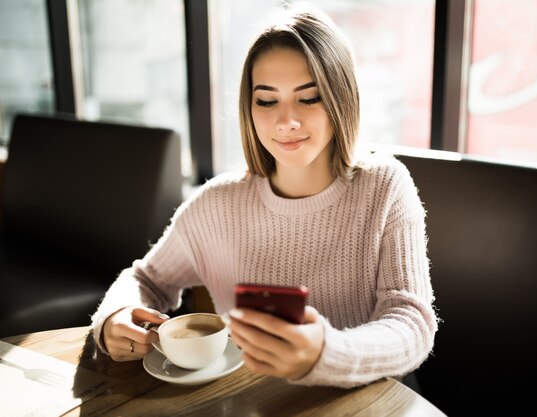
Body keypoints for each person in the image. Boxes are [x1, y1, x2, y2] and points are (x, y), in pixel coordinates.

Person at [90, 3, 438, 388]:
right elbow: (147, 279)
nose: (286, 121)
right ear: (249, 107)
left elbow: (411, 322)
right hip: (253, 401)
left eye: (309, 97)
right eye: (267, 100)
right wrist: (115, 316)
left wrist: (328, 352)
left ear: (342, 98)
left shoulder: (385, 187)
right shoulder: (216, 205)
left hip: (374, 402)